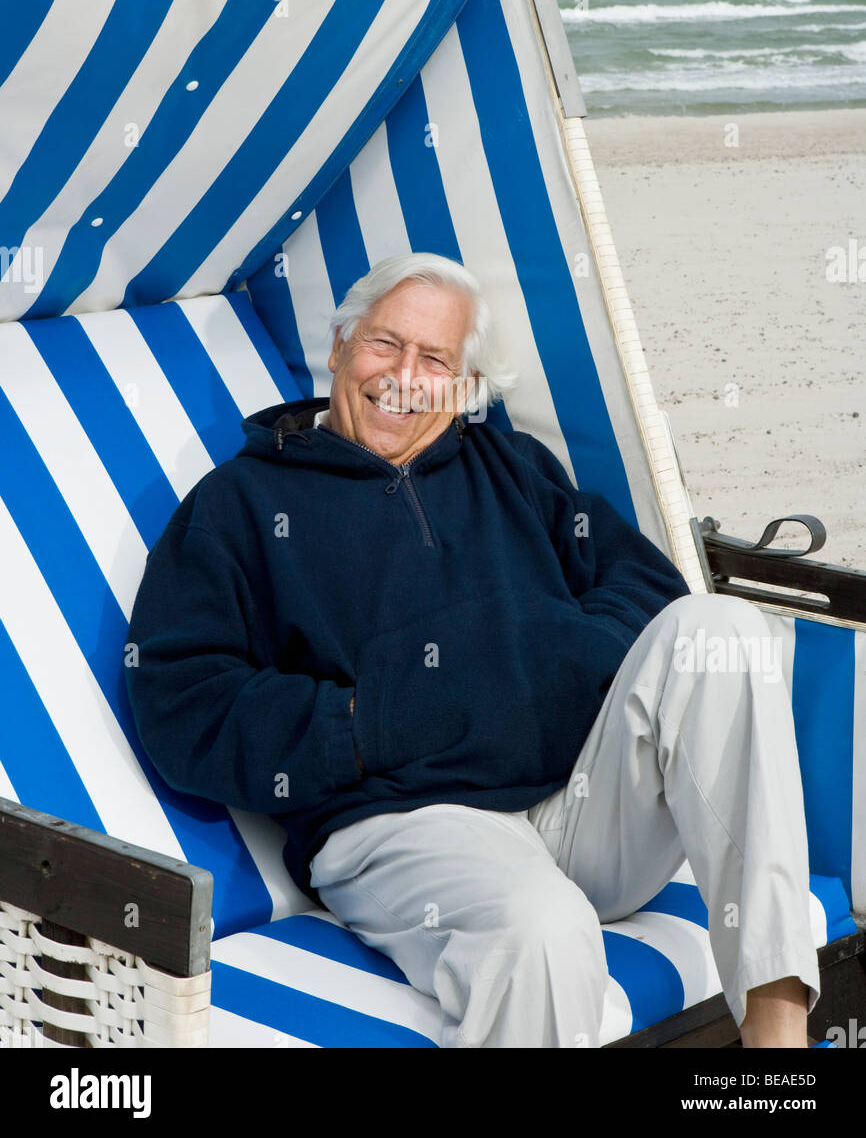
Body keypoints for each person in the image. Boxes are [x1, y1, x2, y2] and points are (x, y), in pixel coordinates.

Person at [125, 251, 819, 1048]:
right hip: (410, 826)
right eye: (386, 344)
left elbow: (642, 582)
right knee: (542, 926)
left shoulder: (512, 466)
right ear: (341, 347)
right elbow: (183, 700)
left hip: (580, 808)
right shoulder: (240, 504)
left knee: (721, 632)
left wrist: (562, 655)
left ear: (461, 386)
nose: (404, 376)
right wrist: (369, 720)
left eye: (435, 359)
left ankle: (777, 1045)